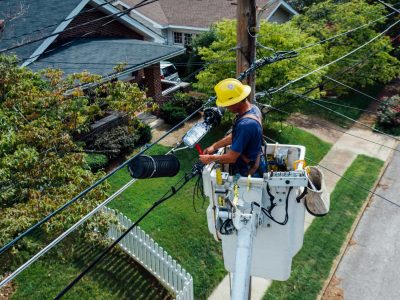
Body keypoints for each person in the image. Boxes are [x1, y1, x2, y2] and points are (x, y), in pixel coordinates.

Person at [199, 78, 264, 176]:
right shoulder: (253, 109)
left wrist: (211, 159)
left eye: (227, 104)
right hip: (255, 161)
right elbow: (236, 136)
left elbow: (231, 157)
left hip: (249, 170)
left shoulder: (246, 125)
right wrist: (214, 146)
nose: (226, 108)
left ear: (235, 102)